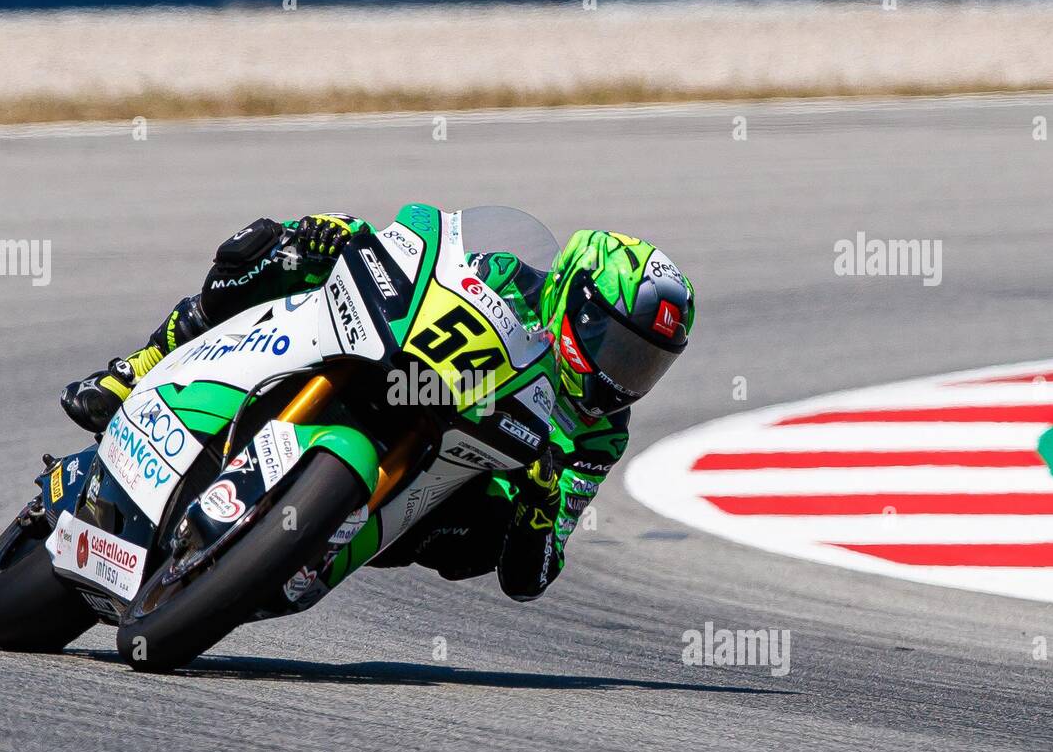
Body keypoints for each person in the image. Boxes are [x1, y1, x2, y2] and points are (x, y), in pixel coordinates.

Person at [62, 208, 695, 602]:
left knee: (481, 541)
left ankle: (319, 533)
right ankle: (133, 373)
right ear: (574, 301)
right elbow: (432, 265)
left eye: (645, 364)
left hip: (446, 482)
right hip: (406, 372)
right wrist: (346, 240)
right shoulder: (510, 274)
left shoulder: (601, 435)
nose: (624, 376)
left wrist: (542, 499)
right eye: (617, 347)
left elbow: (531, 577)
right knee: (271, 252)